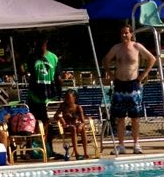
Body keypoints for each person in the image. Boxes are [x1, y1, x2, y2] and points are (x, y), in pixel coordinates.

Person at [101, 23, 156, 154]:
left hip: (133, 84)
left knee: (135, 117)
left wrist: (143, 75)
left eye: (126, 32)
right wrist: (111, 75)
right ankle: (121, 145)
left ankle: (136, 143)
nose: (124, 35)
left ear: (131, 34)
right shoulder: (116, 48)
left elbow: (152, 59)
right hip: (119, 85)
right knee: (120, 118)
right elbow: (105, 60)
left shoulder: (137, 47)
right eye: (122, 33)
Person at [26, 36, 60, 148]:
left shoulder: (53, 57)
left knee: (48, 123)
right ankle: (31, 148)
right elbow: (27, 73)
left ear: (46, 43)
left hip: (49, 94)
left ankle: (48, 147)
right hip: (35, 95)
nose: (39, 46)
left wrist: (59, 94)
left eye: (41, 43)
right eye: (37, 44)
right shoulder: (32, 57)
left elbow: (57, 77)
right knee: (32, 122)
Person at [52, 89, 90, 159]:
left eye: (69, 98)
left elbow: (83, 121)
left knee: (82, 128)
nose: (67, 100)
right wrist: (61, 119)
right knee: (73, 128)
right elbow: (55, 116)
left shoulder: (78, 107)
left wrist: (81, 125)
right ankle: (76, 153)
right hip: (67, 126)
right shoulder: (63, 106)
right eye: (66, 98)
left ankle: (85, 153)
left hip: (76, 126)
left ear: (74, 98)